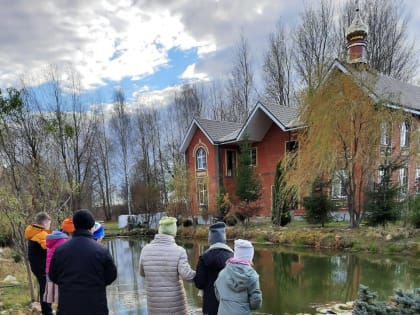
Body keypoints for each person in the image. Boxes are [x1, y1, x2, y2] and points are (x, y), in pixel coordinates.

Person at [49, 209, 117, 315]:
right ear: (92, 227)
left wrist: (67, 283)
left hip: (67, 307)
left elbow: (53, 275)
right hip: (96, 307)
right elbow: (111, 276)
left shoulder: (60, 250)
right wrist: (97, 283)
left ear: (75, 226)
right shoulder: (102, 250)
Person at [139, 216, 196, 315]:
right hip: (175, 306)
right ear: (173, 231)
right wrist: (202, 274)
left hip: (154, 305)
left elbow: (142, 273)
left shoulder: (145, 249)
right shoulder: (179, 251)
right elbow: (187, 276)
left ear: (160, 230)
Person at [194, 222, 233, 315]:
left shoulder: (204, 257)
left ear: (210, 239)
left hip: (210, 305)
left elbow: (199, 283)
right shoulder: (233, 257)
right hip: (229, 304)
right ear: (224, 238)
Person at [214, 239, 262, 315]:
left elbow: (218, 294)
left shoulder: (223, 273)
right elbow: (256, 301)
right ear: (249, 257)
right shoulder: (252, 275)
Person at [24, 211, 53, 315]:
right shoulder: (42, 234)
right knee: (46, 289)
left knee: (44, 288)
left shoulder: (34, 232)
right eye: (49, 224)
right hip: (41, 267)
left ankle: (47, 311)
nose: (49, 226)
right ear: (45, 224)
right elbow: (48, 247)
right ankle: (47, 312)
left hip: (36, 265)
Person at [43, 218, 75, 309]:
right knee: (64, 301)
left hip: (50, 273)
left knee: (60, 302)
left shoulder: (55, 238)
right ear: (70, 232)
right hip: (59, 275)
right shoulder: (64, 241)